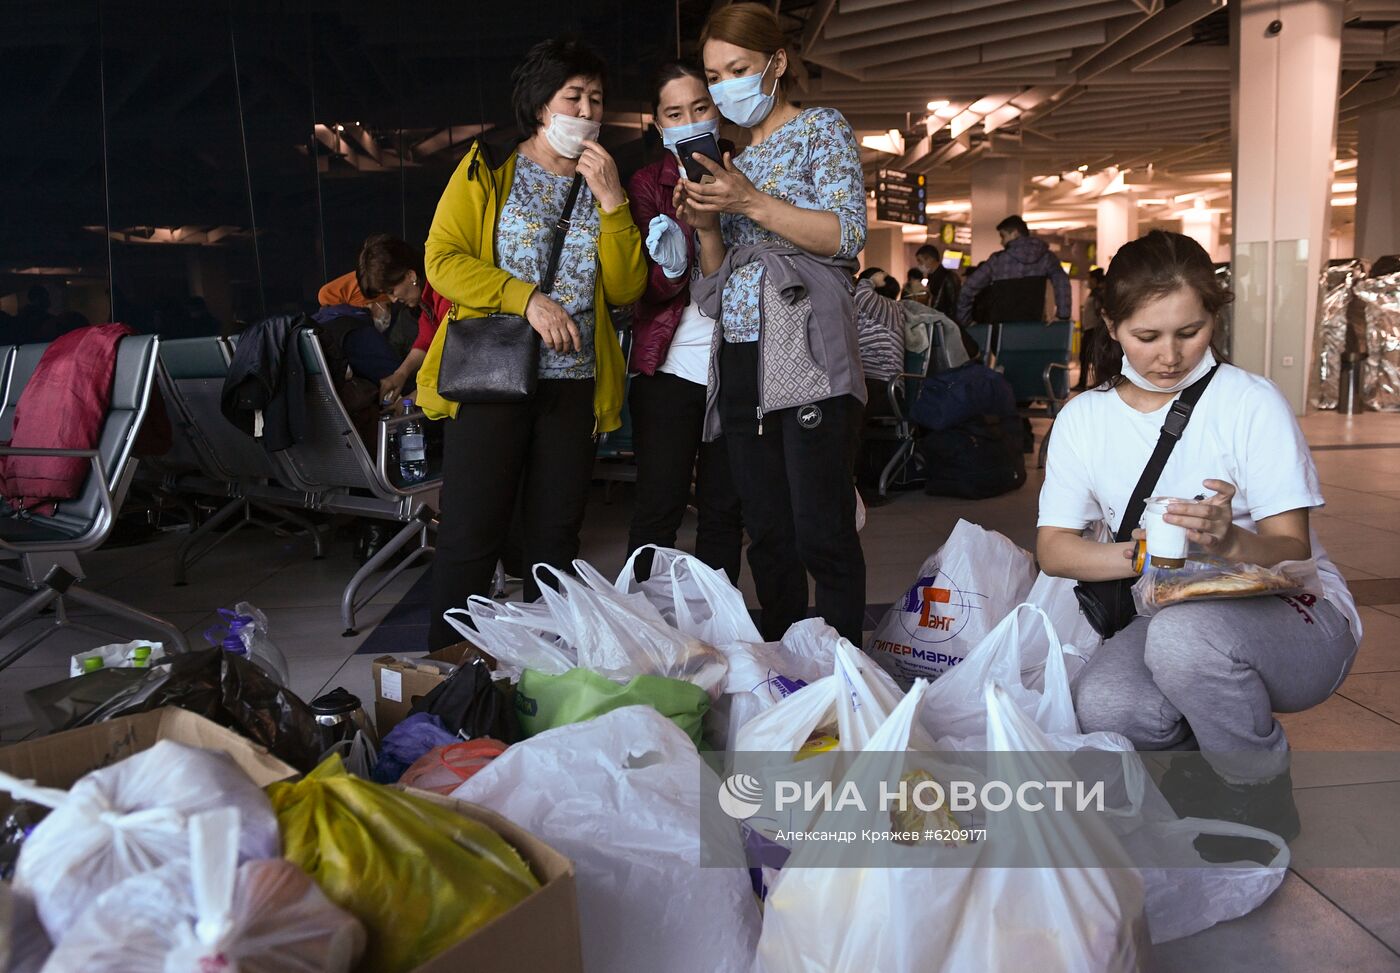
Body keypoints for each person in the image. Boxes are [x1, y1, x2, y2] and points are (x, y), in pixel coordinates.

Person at [1037, 230, 1359, 842]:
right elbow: (1055, 551)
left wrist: (1227, 542)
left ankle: (1257, 790)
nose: (1170, 356)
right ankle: (1216, 760)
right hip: (1173, 618)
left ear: (1214, 316)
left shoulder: (1249, 403)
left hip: (1299, 616)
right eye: (1147, 335)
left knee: (1186, 640)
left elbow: (1292, 549)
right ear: (1111, 324)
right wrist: (1153, 553)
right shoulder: (1085, 419)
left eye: (1190, 332)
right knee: (1108, 703)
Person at [416, 37, 645, 649]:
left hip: (572, 386)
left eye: (596, 99)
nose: (587, 111)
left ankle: (546, 669)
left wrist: (613, 201)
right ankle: (447, 676)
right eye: (573, 97)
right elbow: (442, 261)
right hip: (492, 377)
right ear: (542, 105)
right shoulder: (488, 166)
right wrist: (526, 298)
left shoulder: (603, 183)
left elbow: (625, 288)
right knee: (471, 533)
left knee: (555, 540)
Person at [680, 2, 868, 645]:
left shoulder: (821, 129)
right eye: (714, 74)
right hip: (739, 350)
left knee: (822, 525)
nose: (725, 84)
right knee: (766, 527)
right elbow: (714, 277)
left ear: (777, 63)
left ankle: (845, 668)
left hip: (804, 343)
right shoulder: (727, 158)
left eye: (740, 67)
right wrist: (707, 224)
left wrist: (748, 202)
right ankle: (790, 662)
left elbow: (847, 235)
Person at [625, 60, 744, 584]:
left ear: (717, 108)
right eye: (675, 113)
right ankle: (644, 624)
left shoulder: (750, 173)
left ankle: (721, 632)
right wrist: (672, 268)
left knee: (724, 512)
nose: (690, 120)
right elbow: (641, 290)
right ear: (657, 122)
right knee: (658, 506)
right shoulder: (649, 183)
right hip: (670, 367)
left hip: (739, 368)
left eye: (699, 108)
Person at [318, 235, 447, 404]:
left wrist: (416, 397)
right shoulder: (426, 301)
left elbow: (454, 357)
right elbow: (425, 340)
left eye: (392, 291)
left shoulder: (444, 294)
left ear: (410, 275)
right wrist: (400, 375)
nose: (392, 300)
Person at [955, 215, 1071, 326]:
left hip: (1001, 329)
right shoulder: (1046, 257)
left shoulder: (998, 260)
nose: (1001, 242)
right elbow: (1062, 282)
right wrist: (1062, 316)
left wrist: (966, 320)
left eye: (1003, 236)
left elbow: (968, 288)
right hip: (1034, 326)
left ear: (1015, 233)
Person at [854, 267, 904, 419]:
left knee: (844, 404)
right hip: (869, 383)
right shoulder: (863, 314)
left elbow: (861, 295)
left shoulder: (891, 308)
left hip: (886, 388)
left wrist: (869, 280)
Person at [1073, 267, 1106, 391]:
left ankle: (1091, 382)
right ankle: (1089, 382)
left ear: (1095, 280)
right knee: (1086, 357)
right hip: (1089, 329)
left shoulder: (1098, 294)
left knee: (1090, 357)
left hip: (1094, 330)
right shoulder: (1094, 293)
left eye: (1089, 279)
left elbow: (1099, 312)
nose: (1088, 282)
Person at [914, 243, 960, 320]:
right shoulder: (932, 278)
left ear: (930, 259)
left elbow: (953, 306)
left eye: (920, 261)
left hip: (945, 324)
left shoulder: (948, 278)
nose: (919, 265)